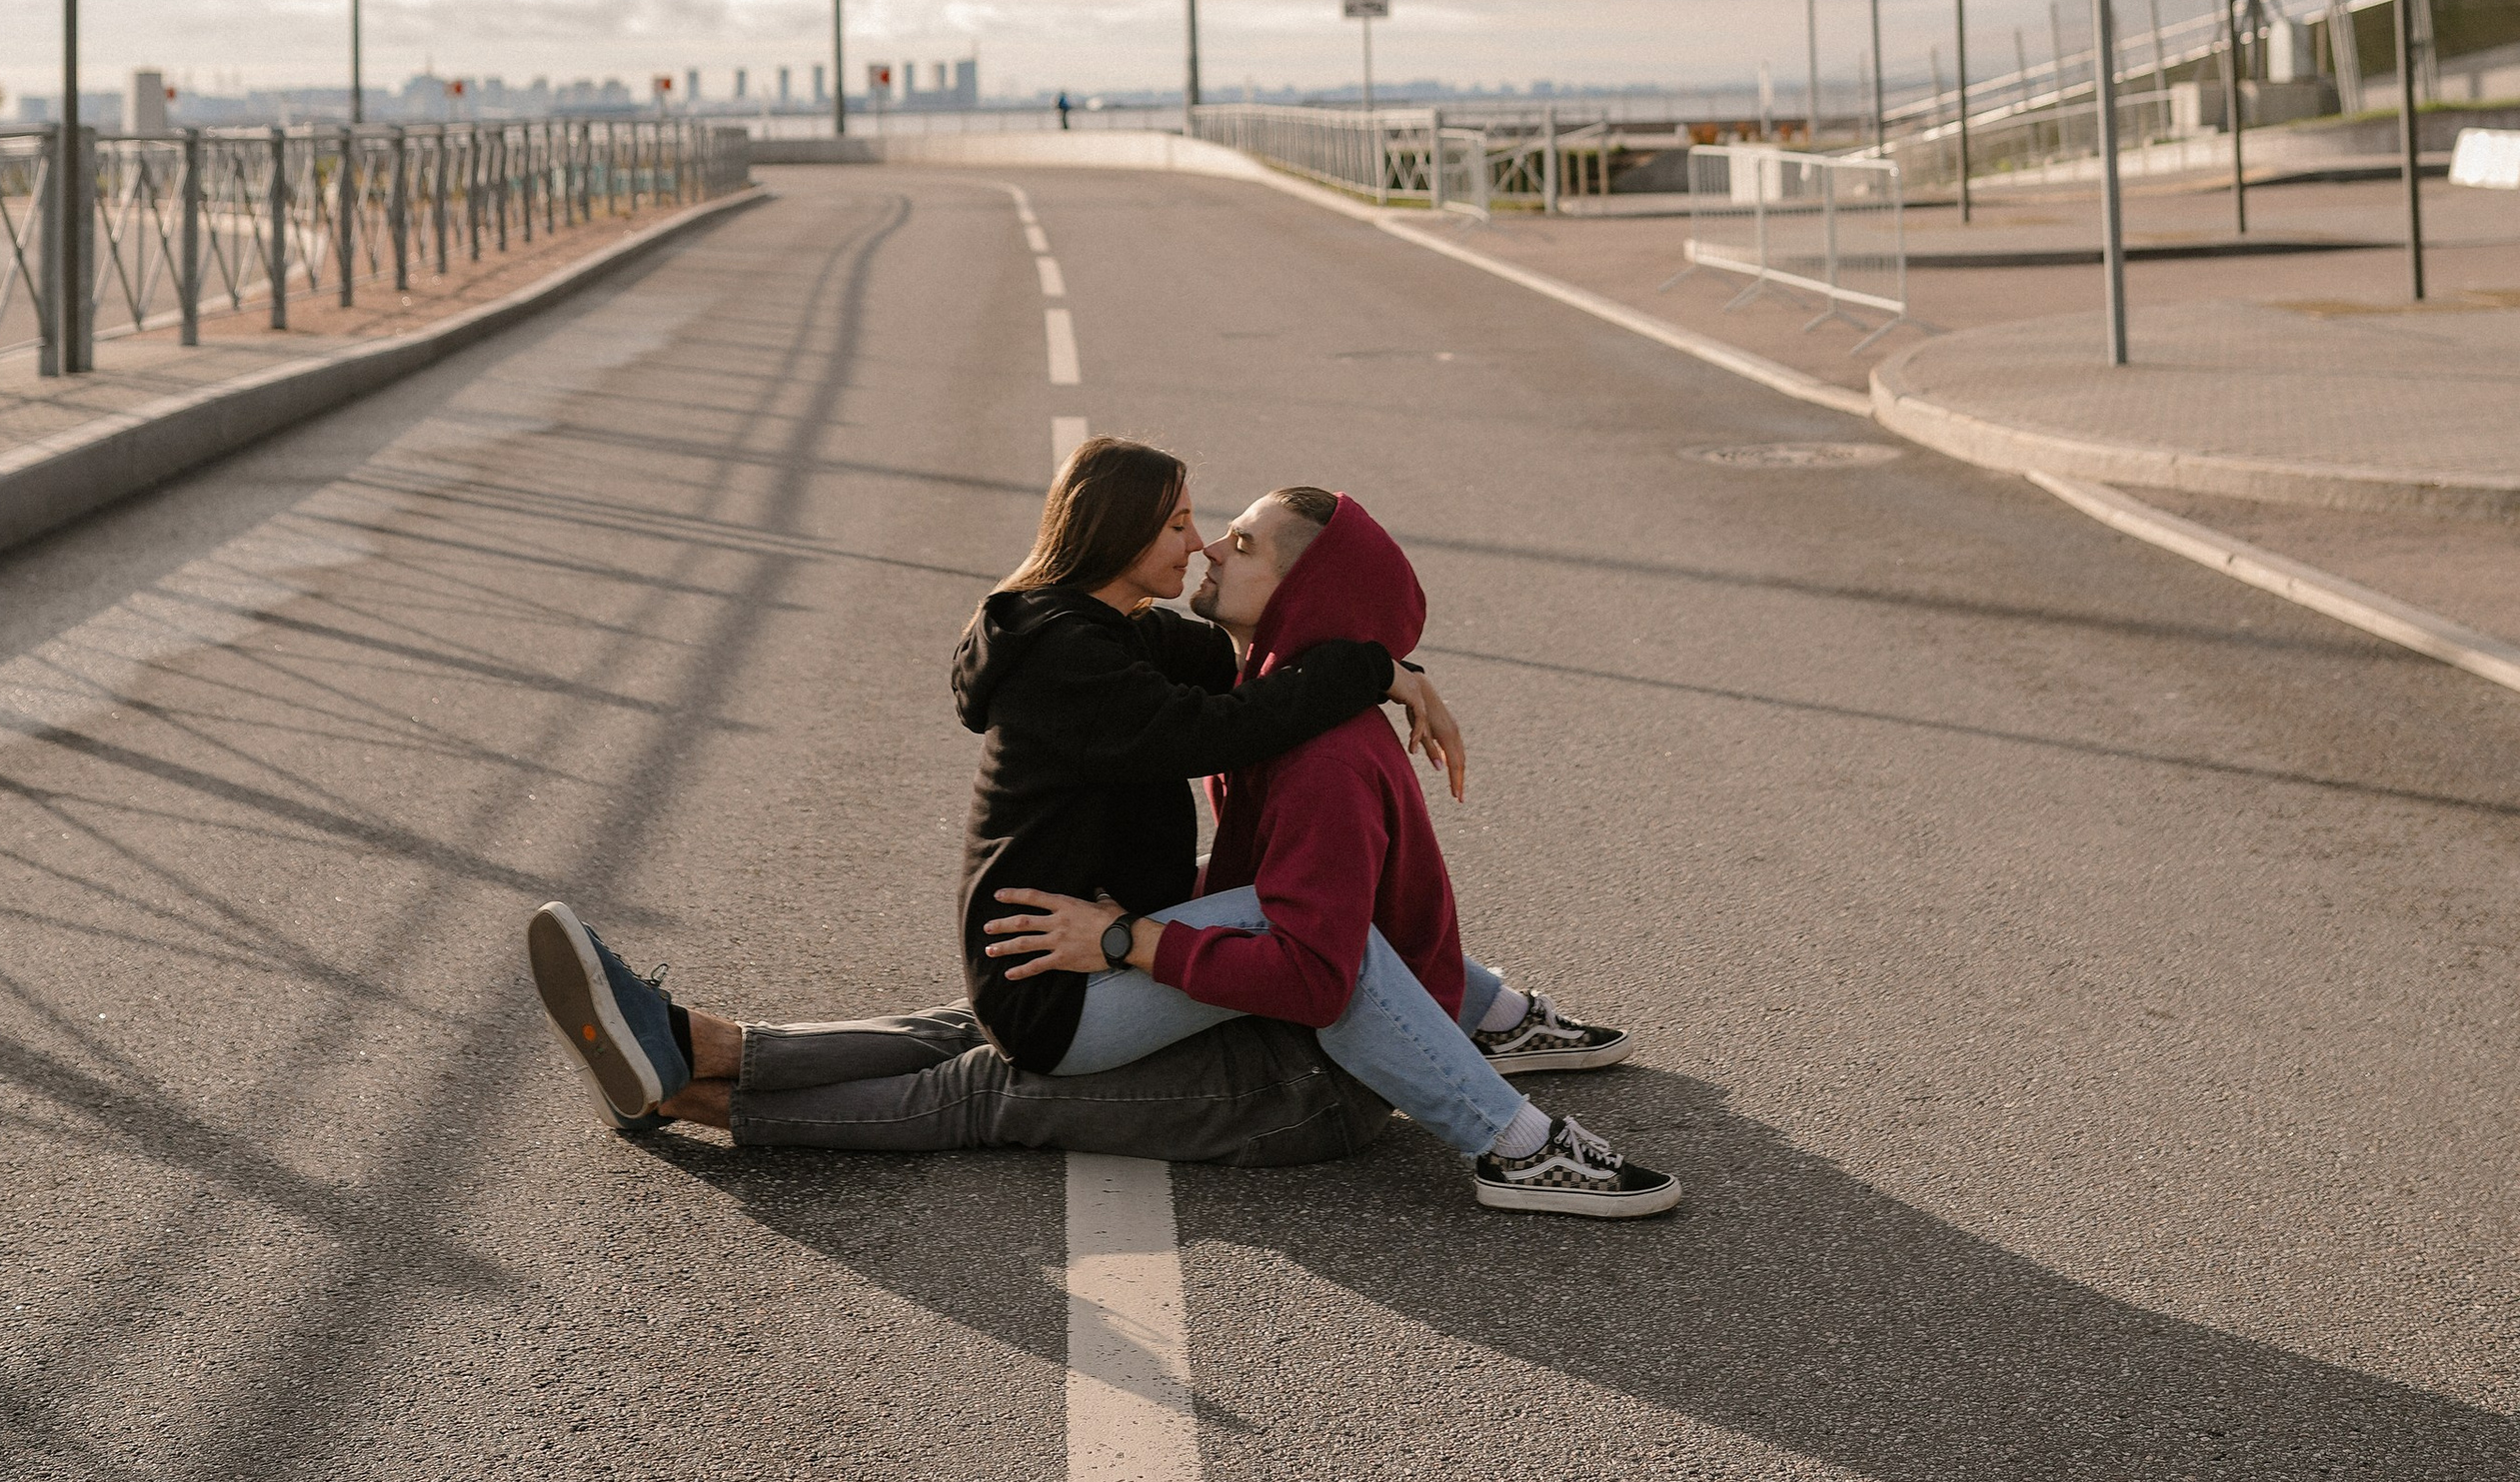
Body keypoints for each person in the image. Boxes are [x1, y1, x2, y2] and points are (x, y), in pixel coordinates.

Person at [529, 443, 1676, 1215]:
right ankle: (1511, 1132)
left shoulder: (1105, 637)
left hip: (1081, 954)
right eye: (1185, 526)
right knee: (1011, 1065)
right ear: (1123, 535)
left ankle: (698, 1051)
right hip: (1067, 965)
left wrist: (1379, 662)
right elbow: (1225, 727)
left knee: (970, 1041)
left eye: (1228, 539)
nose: (1204, 548)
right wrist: (1375, 667)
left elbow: (1244, 678)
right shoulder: (1081, 662)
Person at [986, 479, 1678, 1216]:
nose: (1208, 548)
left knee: (1304, 924)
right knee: (1282, 892)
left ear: (1299, 592)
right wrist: (1386, 669)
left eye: (1242, 544)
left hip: (1310, 1009)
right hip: (1311, 948)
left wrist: (1126, 938)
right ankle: (1492, 1017)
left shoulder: (1321, 761)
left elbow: (1315, 971)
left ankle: (1517, 1146)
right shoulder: (1279, 699)